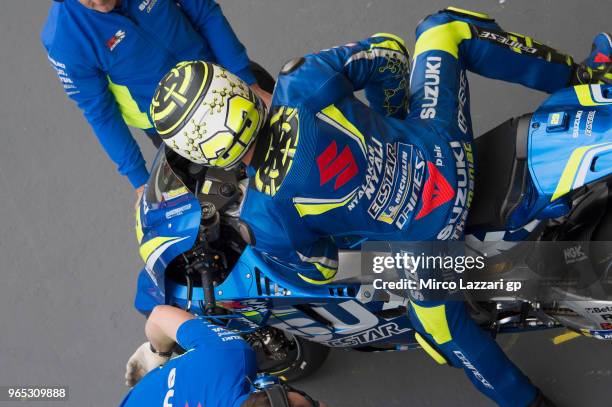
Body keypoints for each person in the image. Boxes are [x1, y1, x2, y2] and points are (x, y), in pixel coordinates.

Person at [147, 7, 612, 407]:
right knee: (443, 28)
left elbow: (325, 270)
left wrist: (372, 223)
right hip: (446, 151)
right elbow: (388, 54)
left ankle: (527, 401)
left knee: (443, 335)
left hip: (426, 251)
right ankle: (588, 75)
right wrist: (390, 121)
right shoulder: (302, 81)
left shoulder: (263, 218)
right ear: (234, 87)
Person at [40, 0, 272, 207]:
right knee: (251, 204)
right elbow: (100, 113)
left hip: (229, 80)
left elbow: (204, 12)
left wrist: (249, 82)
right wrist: (140, 180)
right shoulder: (64, 41)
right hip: (179, 132)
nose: (100, 2)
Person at [122, 305, 326, 407]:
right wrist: (158, 353)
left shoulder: (228, 357)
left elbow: (159, 315)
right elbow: (158, 317)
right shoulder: (226, 357)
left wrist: (157, 353)